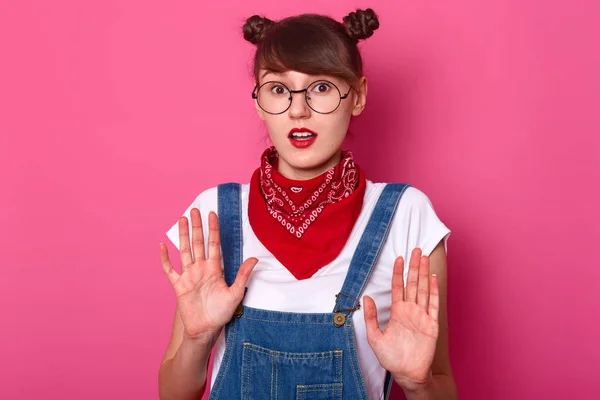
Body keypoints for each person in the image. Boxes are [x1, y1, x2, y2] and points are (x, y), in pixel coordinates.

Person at [157, 8, 457, 400]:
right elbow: (173, 395)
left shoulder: (406, 216)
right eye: (279, 89)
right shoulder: (214, 215)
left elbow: (442, 383)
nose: (298, 110)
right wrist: (198, 339)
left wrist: (418, 385)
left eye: (321, 88)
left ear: (359, 95)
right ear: (259, 102)